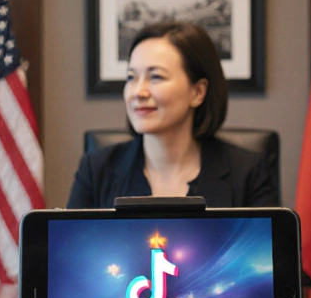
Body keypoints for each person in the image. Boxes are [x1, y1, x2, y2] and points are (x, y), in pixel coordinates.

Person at [67, 21, 276, 209]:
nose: (138, 92)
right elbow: (70, 250)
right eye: (131, 77)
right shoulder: (96, 170)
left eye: (155, 77)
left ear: (198, 92)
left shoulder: (249, 172)